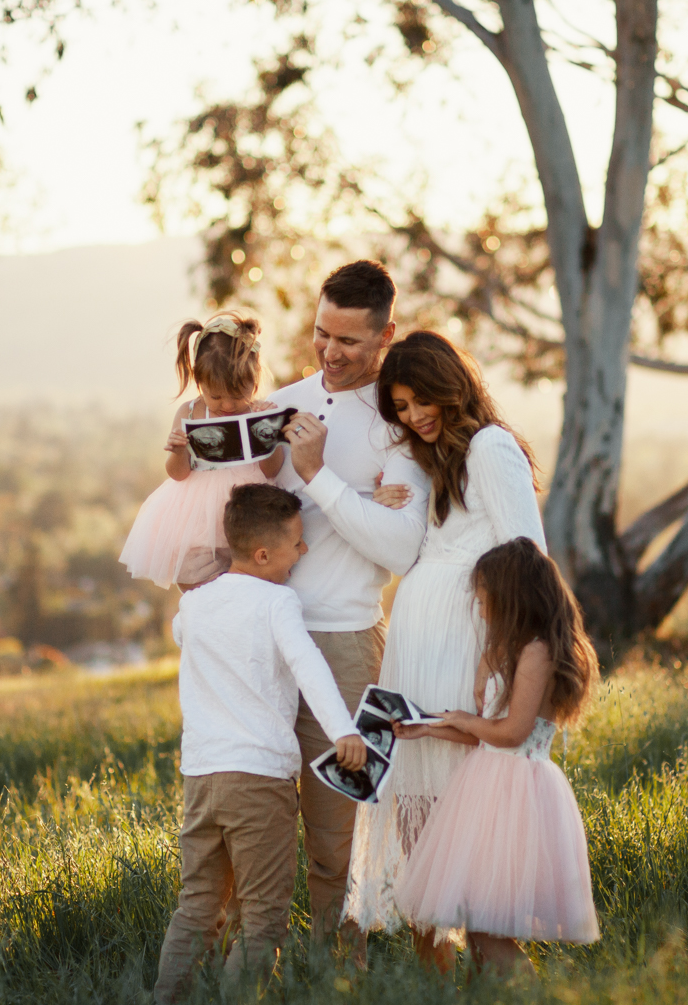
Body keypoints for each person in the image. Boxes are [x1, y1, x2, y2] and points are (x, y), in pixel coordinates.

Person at [342, 329, 544, 967]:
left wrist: (503, 659)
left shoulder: (489, 447)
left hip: (466, 663)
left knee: (472, 851)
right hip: (418, 669)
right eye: (400, 407)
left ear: (451, 384)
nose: (413, 415)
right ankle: (434, 980)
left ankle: (496, 974)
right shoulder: (438, 464)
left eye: (420, 398)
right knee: (421, 843)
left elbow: (526, 560)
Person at [153, 484, 371, 1003]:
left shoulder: (196, 606)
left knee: (198, 907)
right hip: (258, 782)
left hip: (202, 780)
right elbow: (308, 665)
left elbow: (183, 632)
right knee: (264, 919)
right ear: (265, 554)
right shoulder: (278, 602)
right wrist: (343, 730)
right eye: (298, 543)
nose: (305, 551)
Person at [270, 261, 432, 950]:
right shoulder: (278, 406)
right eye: (320, 334)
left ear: (386, 336)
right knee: (254, 819)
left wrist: (320, 478)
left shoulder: (401, 427)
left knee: (337, 832)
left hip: (344, 644)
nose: (330, 353)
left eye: (350, 342)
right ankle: (248, 969)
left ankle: (336, 972)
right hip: (262, 640)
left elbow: (399, 550)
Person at [391, 537, 601, 975]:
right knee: (477, 924)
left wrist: (464, 720)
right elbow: (485, 734)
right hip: (485, 783)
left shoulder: (538, 651)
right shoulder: (502, 650)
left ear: (513, 599)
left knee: (487, 928)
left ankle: (526, 989)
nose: (481, 609)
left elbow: (512, 732)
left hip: (516, 790)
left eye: (486, 600)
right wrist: (428, 728)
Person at [120, 312, 284, 590]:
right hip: (200, 516)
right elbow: (178, 474)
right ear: (199, 383)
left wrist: (268, 435)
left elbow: (272, 469)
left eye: (238, 394)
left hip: (248, 511)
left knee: (248, 583)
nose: (228, 406)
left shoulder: (258, 412)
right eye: (216, 396)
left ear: (255, 379)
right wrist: (177, 451)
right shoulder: (191, 412)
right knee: (198, 582)